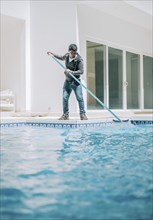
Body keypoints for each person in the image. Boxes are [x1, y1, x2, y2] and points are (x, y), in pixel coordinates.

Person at [47, 44, 88, 120]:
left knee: (80, 98)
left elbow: (81, 71)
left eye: (74, 52)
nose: (72, 54)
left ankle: (83, 115)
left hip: (76, 82)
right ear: (69, 51)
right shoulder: (66, 56)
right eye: (71, 52)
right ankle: (65, 115)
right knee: (65, 98)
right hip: (67, 81)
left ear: (76, 52)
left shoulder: (79, 60)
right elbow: (61, 57)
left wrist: (71, 72)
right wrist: (53, 54)